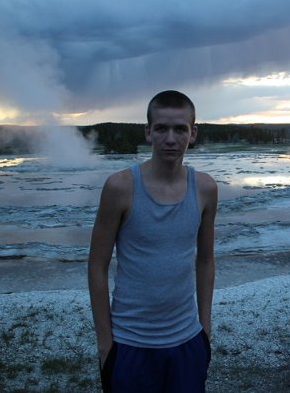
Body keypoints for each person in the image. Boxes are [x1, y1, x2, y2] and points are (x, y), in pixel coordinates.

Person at [88, 90, 217, 392]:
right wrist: (105, 345)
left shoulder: (205, 188)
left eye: (180, 129)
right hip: (130, 343)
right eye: (161, 128)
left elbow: (206, 259)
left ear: (193, 133)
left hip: (188, 341)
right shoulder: (120, 187)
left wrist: (205, 330)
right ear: (148, 132)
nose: (170, 139)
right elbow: (96, 266)